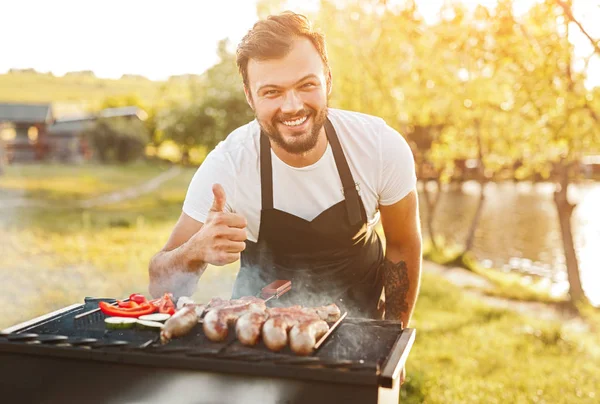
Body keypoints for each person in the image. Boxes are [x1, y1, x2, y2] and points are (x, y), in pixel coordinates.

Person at [149, 11, 422, 327]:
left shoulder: (379, 147)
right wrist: (194, 251)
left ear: (327, 80)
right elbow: (160, 286)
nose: (292, 106)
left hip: (358, 325)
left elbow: (402, 244)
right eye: (272, 91)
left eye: (306, 84)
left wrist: (391, 337)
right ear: (250, 96)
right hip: (258, 335)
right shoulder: (228, 166)